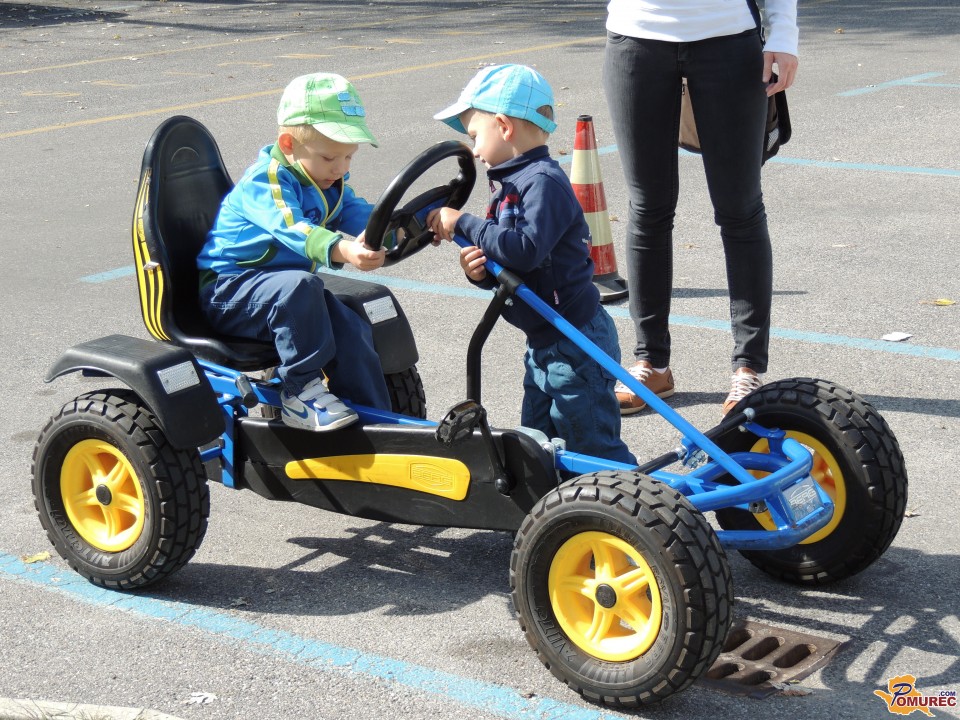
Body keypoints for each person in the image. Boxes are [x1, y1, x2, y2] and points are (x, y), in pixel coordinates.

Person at [427, 64, 637, 466]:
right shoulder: (511, 183)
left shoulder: (542, 182)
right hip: (544, 340)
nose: (474, 150)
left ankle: (631, 499)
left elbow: (524, 250)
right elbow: (512, 260)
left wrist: (463, 222)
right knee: (538, 444)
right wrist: (480, 271)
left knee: (591, 447)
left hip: (575, 341)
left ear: (504, 126)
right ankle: (557, 503)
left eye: (475, 136)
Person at [603, 0, 799, 415]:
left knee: (740, 210)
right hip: (636, 35)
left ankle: (748, 368)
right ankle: (651, 363)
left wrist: (784, 33)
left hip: (728, 36)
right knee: (648, 209)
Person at [197, 72, 392, 431]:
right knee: (302, 286)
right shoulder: (265, 180)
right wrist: (344, 249)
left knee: (350, 326)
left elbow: (359, 214)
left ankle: (377, 422)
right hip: (230, 292)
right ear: (288, 144)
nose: (341, 168)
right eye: (330, 156)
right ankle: (300, 394)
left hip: (284, 295)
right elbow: (293, 228)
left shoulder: (326, 180)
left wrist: (404, 225)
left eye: (349, 157)